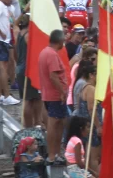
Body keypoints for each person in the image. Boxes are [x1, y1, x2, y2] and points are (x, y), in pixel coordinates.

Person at [39, 29, 69, 164]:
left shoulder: (44, 52)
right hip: (55, 95)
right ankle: (53, 155)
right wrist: (62, 92)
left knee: (57, 123)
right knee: (55, 123)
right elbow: (53, 75)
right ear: (60, 41)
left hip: (49, 94)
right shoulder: (51, 54)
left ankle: (55, 153)